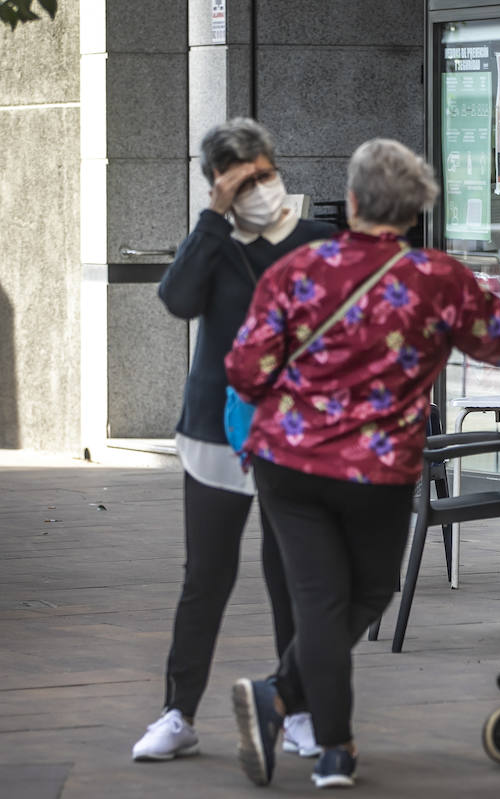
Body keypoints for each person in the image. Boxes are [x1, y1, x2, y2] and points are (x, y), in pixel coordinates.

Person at [224, 138, 500, 789]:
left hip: (289, 463)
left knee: (322, 600)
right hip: (378, 469)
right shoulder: (438, 278)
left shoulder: (296, 270)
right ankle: (327, 740)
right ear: (413, 213)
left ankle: (300, 716)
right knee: (371, 590)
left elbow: (243, 367)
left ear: (351, 201)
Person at [133, 118, 333, 764]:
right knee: (207, 575)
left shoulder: (315, 243)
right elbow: (177, 300)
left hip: (293, 434)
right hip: (215, 430)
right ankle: (177, 713)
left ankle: (298, 707)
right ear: (218, 184)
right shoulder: (212, 245)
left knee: (291, 573)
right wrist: (213, 219)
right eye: (244, 179)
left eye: (266, 172)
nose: (261, 187)